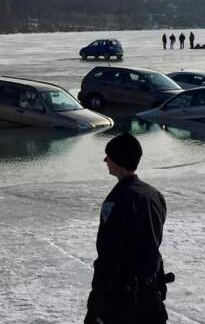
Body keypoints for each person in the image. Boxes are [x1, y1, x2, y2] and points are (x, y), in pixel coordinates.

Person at [84, 133, 173, 324]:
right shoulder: (154, 195)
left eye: (109, 156)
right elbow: (153, 243)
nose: (105, 160)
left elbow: (108, 253)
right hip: (151, 293)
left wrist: (96, 301)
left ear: (118, 160)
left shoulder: (117, 200)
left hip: (122, 298)